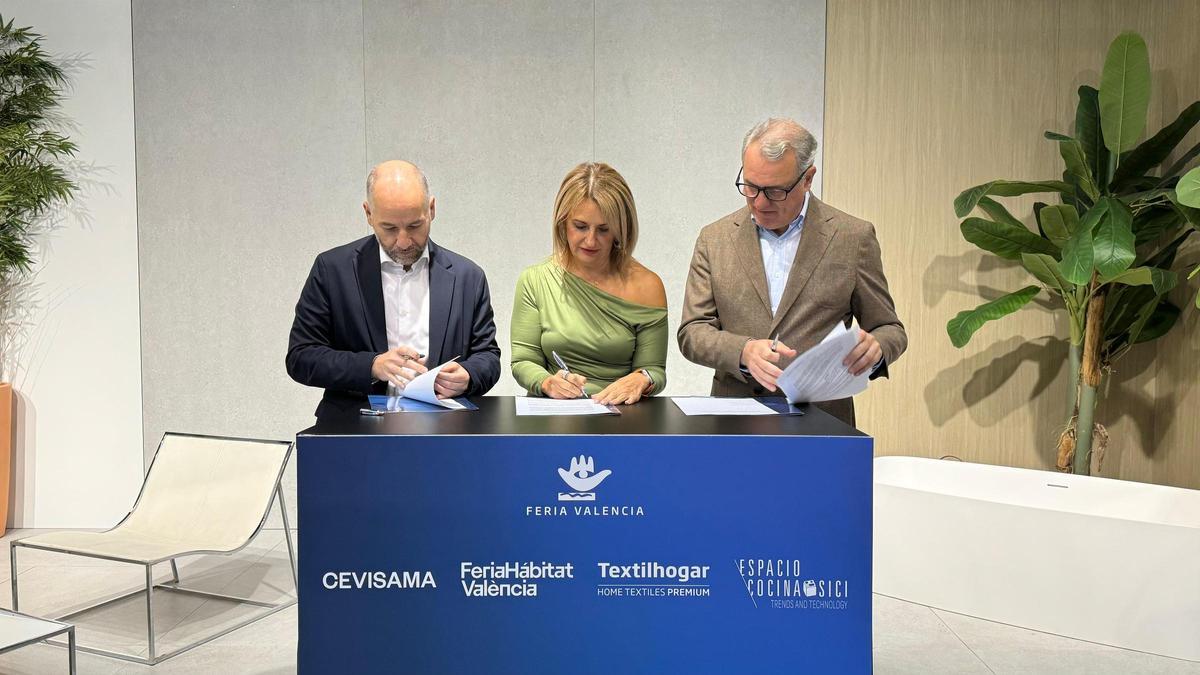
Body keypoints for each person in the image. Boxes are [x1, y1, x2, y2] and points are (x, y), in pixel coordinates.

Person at [678, 118, 906, 426]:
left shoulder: (853, 238)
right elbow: (692, 333)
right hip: (735, 423)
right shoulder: (714, 238)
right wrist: (743, 351)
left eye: (774, 191)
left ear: (808, 177)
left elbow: (890, 329)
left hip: (824, 423)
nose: (758, 202)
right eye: (750, 187)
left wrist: (877, 348)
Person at [287, 160, 501, 416]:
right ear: (368, 214)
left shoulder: (468, 277)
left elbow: (488, 356)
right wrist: (372, 365)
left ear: (431, 209)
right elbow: (301, 357)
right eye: (389, 228)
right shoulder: (332, 270)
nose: (403, 241)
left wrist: (468, 375)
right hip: (354, 432)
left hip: (445, 433)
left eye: (414, 226)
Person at [510, 162, 667, 405]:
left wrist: (641, 378)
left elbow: (655, 369)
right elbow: (523, 360)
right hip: (555, 413)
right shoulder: (535, 280)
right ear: (563, 222)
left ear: (621, 230)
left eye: (604, 230)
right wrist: (547, 382)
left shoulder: (648, 285)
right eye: (580, 227)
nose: (591, 240)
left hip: (621, 414)